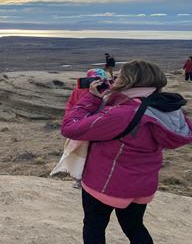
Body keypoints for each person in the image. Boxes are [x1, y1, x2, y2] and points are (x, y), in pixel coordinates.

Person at [61, 60, 192, 243]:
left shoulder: (124, 113)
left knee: (94, 226)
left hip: (107, 183)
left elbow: (70, 128)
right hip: (142, 184)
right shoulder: (167, 109)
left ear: (129, 80)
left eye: (119, 75)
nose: (115, 78)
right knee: (134, 227)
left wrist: (92, 98)